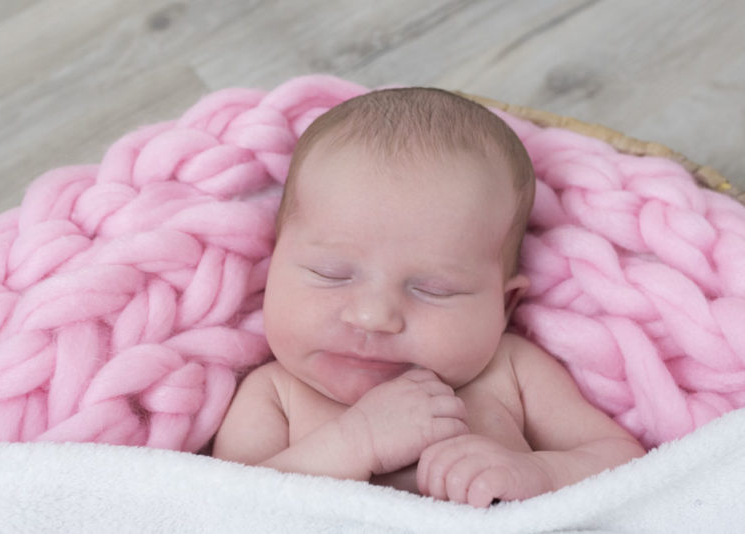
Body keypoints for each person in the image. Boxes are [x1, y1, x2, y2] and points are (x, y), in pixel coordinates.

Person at [212, 87, 645, 507]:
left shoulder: (511, 371)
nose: (373, 315)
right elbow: (224, 509)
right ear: (272, 269)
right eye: (331, 274)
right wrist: (353, 444)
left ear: (503, 305)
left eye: (433, 289)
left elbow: (626, 466)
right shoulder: (275, 395)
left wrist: (541, 474)